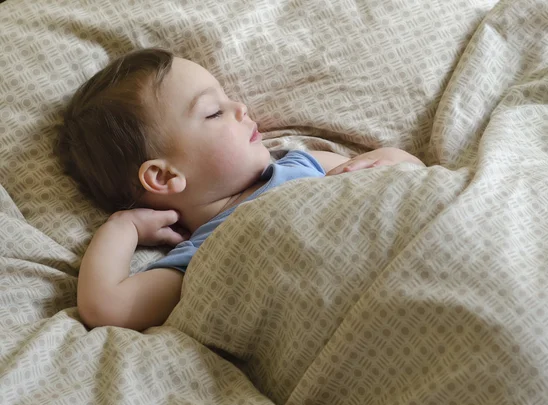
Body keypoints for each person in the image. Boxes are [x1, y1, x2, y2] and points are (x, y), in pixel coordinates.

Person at [58, 48, 425, 331]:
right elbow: (106, 307)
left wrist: (387, 164)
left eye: (227, 97)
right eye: (213, 112)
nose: (240, 107)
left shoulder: (301, 163)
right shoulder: (200, 254)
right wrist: (122, 227)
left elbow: (416, 178)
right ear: (166, 177)